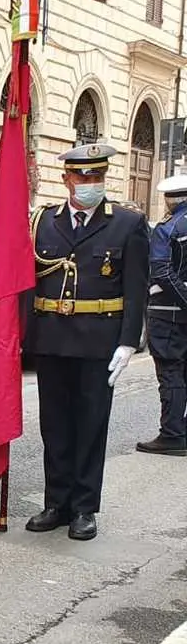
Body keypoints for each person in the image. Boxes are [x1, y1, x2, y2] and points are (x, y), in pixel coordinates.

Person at [23, 143, 148, 541]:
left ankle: (83, 508)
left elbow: (137, 288)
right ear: (66, 180)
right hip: (52, 339)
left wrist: (129, 342)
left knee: (90, 426)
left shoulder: (128, 224)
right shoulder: (42, 222)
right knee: (54, 425)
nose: (89, 184)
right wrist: (21, 336)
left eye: (96, 176)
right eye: (81, 177)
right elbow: (28, 282)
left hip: (98, 342)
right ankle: (56, 503)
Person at [138, 170, 187, 456]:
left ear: (171, 200)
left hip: (167, 312)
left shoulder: (168, 227)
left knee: (170, 372)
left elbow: (162, 271)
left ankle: (171, 433)